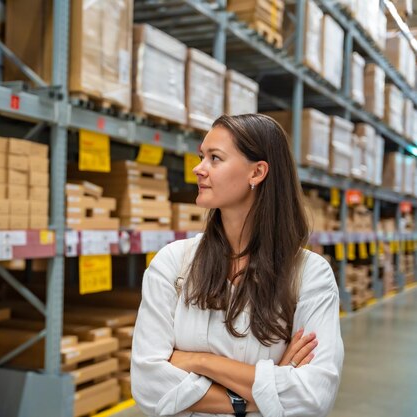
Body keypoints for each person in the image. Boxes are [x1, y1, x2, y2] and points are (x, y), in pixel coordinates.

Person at [131, 114, 344, 417]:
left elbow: (313, 395)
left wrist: (199, 362)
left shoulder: (310, 275)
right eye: (201, 156)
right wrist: (263, 390)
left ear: (257, 172)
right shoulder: (173, 263)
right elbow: (147, 386)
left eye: (215, 158)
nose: (198, 169)